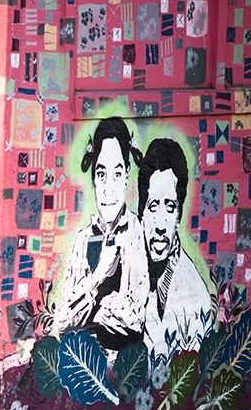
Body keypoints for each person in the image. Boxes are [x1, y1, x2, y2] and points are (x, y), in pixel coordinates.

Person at [55, 117, 147, 350]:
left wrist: (91, 311)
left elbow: (136, 319)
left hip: (126, 363)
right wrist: (98, 275)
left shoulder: (136, 232)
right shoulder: (84, 238)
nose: (108, 187)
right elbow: (63, 321)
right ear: (94, 180)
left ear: (127, 176)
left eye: (117, 174)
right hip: (83, 360)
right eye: (101, 174)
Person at [138, 138, 212, 365]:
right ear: (141, 213)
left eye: (170, 208)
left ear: (178, 216)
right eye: (153, 207)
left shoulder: (196, 295)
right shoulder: (126, 266)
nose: (160, 225)